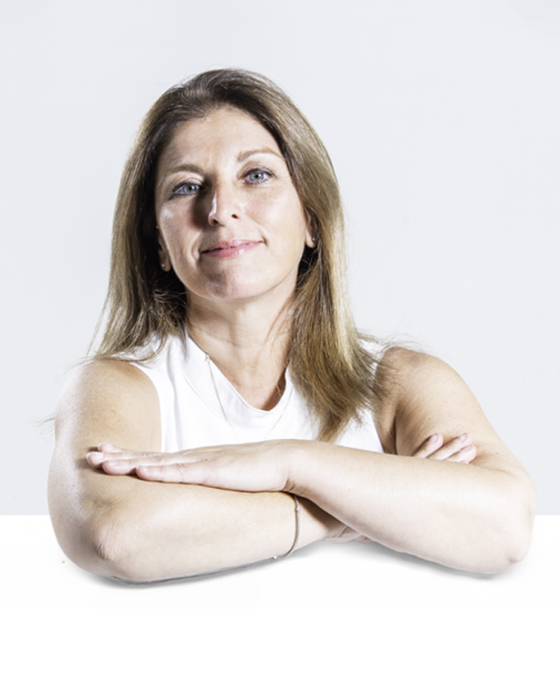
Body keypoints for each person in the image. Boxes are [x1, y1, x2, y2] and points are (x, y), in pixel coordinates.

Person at [48, 68, 537, 582]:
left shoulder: (399, 385)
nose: (220, 210)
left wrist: (289, 463)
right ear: (159, 244)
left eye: (256, 175)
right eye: (187, 187)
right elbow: (113, 535)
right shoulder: (116, 388)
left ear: (311, 219)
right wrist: (334, 511)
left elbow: (505, 527)